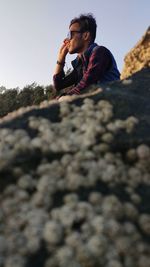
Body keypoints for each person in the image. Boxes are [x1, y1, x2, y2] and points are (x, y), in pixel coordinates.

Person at [53, 13, 120, 98]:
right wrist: (61, 58)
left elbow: (87, 84)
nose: (66, 40)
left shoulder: (100, 52)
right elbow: (58, 85)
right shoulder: (81, 65)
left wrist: (62, 98)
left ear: (85, 35)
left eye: (70, 34)